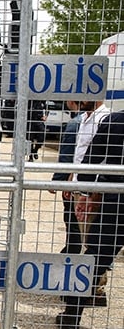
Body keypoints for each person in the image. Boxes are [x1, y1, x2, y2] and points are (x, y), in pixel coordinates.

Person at [56, 110, 124, 328]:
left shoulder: (114, 120)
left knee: (95, 260)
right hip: (115, 198)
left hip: (116, 200)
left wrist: (86, 191)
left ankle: (71, 315)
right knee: (95, 259)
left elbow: (91, 160)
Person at [49, 101, 83, 255]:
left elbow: (67, 156)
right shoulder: (106, 119)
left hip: (75, 182)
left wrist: (58, 180)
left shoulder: (74, 124)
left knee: (72, 219)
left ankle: (71, 253)